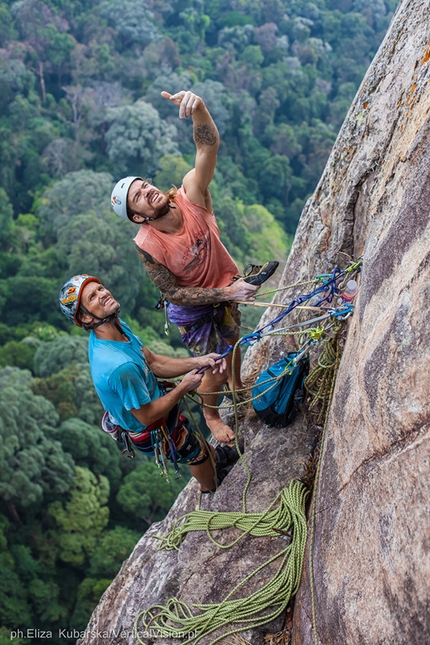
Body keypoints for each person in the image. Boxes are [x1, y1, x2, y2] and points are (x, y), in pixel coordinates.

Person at [111, 89, 279, 443]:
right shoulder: (148, 245)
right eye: (139, 196)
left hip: (226, 284)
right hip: (192, 311)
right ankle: (211, 415)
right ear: (137, 216)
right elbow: (172, 292)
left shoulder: (191, 194)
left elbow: (207, 148)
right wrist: (227, 291)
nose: (149, 190)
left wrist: (199, 108)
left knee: (233, 341)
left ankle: (236, 382)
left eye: (145, 185)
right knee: (214, 368)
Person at [58, 274, 237, 493]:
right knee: (196, 455)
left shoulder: (116, 328)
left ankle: (215, 457)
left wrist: (199, 361)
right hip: (151, 426)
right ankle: (211, 488)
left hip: (158, 406)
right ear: (86, 318)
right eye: (92, 297)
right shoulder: (118, 366)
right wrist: (183, 387)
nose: (103, 294)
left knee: (193, 441)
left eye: (101, 288)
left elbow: (151, 361)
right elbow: (146, 416)